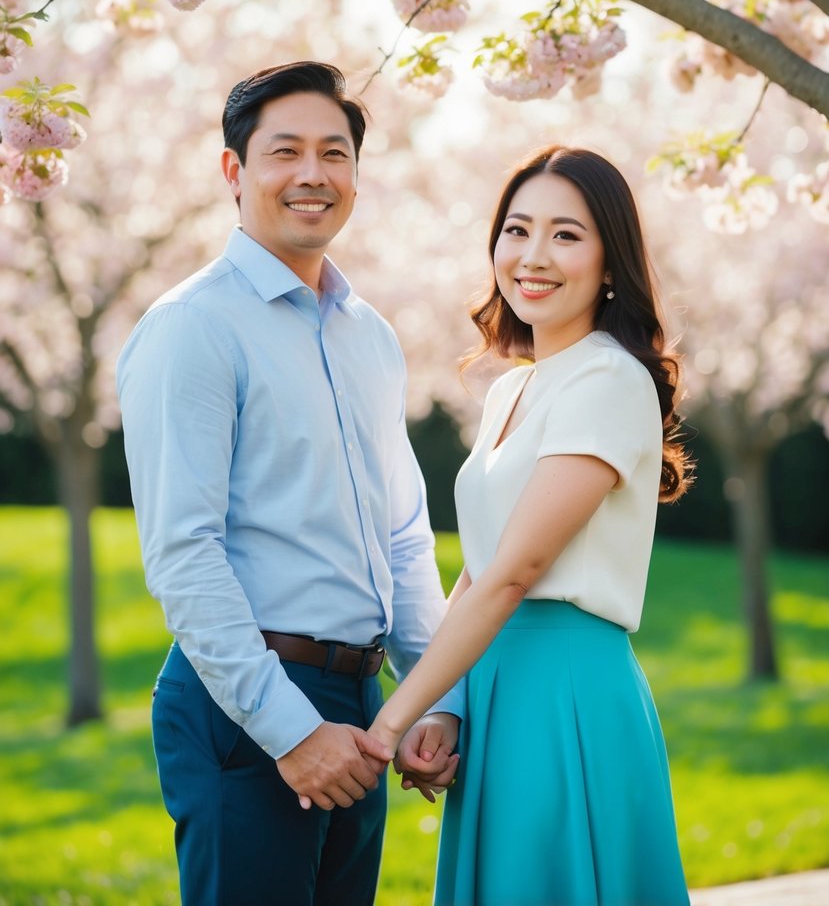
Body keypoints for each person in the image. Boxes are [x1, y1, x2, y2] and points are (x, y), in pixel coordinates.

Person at [116, 61, 461, 906]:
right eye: (286, 152)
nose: (313, 175)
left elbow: (404, 535)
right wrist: (289, 730)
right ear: (235, 172)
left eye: (335, 154)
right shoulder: (193, 328)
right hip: (249, 699)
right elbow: (183, 555)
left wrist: (429, 698)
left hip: (363, 698)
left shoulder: (370, 336)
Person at [371, 145, 693, 906]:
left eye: (566, 235)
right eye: (516, 230)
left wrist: (389, 721)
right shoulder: (510, 391)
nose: (532, 256)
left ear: (611, 262)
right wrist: (444, 708)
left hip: (566, 694)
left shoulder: (609, 377)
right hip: (496, 685)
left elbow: (516, 572)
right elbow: (482, 567)